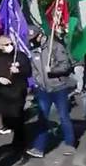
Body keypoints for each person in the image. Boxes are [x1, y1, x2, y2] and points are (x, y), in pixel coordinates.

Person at [25, 27, 77, 158]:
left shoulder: (55, 46)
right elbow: (34, 69)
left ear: (40, 35)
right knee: (42, 118)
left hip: (59, 88)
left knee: (63, 116)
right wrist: (37, 82)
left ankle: (70, 144)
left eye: (34, 38)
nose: (32, 41)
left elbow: (66, 65)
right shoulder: (33, 50)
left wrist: (53, 70)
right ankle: (39, 148)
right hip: (43, 90)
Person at [0, 35, 32, 150]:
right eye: (7, 44)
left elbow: (28, 71)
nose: (10, 46)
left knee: (17, 118)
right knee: (8, 118)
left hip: (17, 91)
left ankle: (20, 143)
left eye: (11, 44)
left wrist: (19, 71)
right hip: (2, 93)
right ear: (0, 46)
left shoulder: (20, 56)